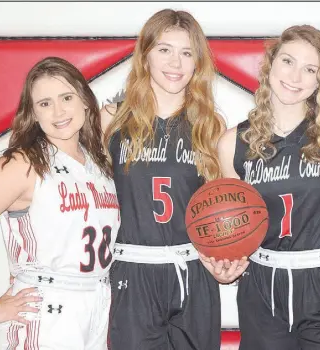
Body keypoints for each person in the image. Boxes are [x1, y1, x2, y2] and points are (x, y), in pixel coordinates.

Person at [211, 25, 320, 350]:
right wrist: (226, 265)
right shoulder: (233, 144)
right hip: (262, 284)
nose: (295, 77)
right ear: (270, 65)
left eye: (310, 69)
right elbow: (232, 229)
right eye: (288, 62)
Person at [101, 9, 238, 350]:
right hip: (133, 270)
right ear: (145, 55)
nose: (176, 63)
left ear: (197, 63)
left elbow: (228, 209)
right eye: (164, 49)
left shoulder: (211, 126)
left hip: (193, 270)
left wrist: (230, 260)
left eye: (187, 52)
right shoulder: (111, 121)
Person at [0, 57, 120, 349]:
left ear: (85, 101)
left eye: (66, 97)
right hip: (44, 308)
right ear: (33, 113)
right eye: (45, 103)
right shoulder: (23, 163)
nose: (58, 111)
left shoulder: (98, 163)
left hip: (96, 302)